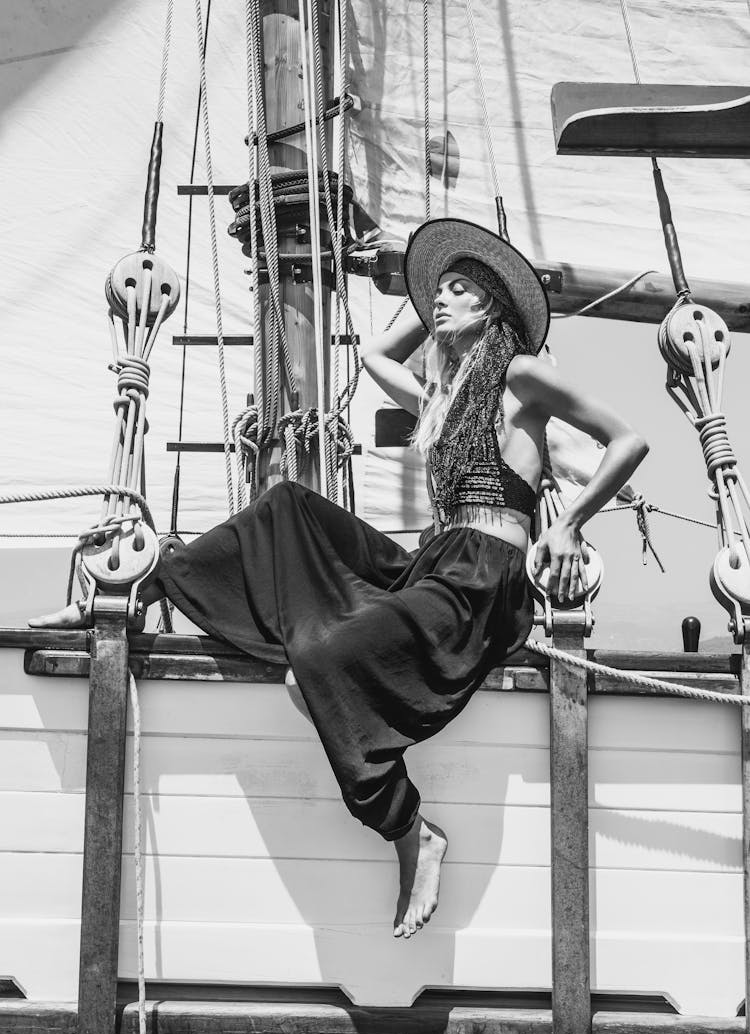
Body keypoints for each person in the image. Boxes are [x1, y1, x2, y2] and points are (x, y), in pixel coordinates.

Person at [30, 219, 648, 939]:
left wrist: (569, 521)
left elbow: (628, 441)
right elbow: (379, 352)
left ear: (491, 308)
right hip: (436, 565)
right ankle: (149, 583)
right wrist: (429, 304)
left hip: (484, 581)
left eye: (458, 292)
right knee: (287, 505)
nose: (439, 302)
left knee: (313, 663)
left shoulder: (519, 376)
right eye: (438, 291)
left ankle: (409, 828)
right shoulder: (441, 396)